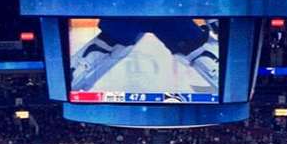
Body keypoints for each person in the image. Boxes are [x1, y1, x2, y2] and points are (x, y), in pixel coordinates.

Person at [70, 18, 218, 91]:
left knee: (109, 42)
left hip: (133, 7)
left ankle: (71, 79)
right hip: (164, 8)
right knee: (196, 50)